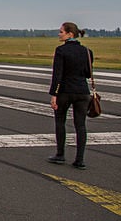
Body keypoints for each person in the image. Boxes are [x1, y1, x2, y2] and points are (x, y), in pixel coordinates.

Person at [47, 22, 93, 169]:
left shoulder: (61, 51)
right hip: (82, 92)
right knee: (80, 125)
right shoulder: (87, 51)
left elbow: (57, 75)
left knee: (60, 122)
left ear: (70, 34)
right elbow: (88, 73)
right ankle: (80, 160)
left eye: (61, 32)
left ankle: (60, 155)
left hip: (65, 92)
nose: (59, 34)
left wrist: (54, 94)